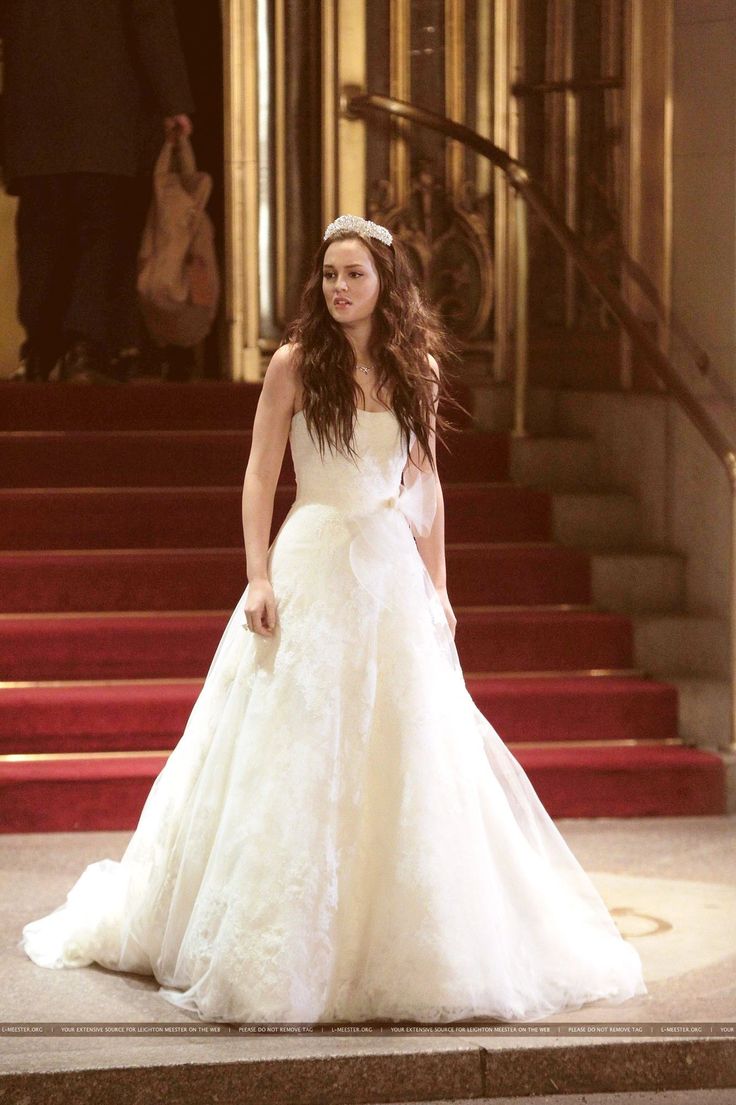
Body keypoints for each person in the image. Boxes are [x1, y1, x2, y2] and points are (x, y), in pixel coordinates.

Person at [19, 214, 648, 1025]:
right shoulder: (293, 364)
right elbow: (257, 475)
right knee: (297, 746)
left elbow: (427, 485)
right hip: (312, 555)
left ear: (385, 282)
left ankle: (397, 937)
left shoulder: (413, 365)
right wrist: (255, 574)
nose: (340, 288)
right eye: (329, 275)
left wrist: (440, 588)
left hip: (387, 566)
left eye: (354, 274)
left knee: (406, 750)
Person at [0, 0, 194, 383]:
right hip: (107, 109)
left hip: (31, 108)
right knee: (104, 231)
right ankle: (84, 346)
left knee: (40, 231)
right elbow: (149, 18)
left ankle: (40, 350)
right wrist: (174, 101)